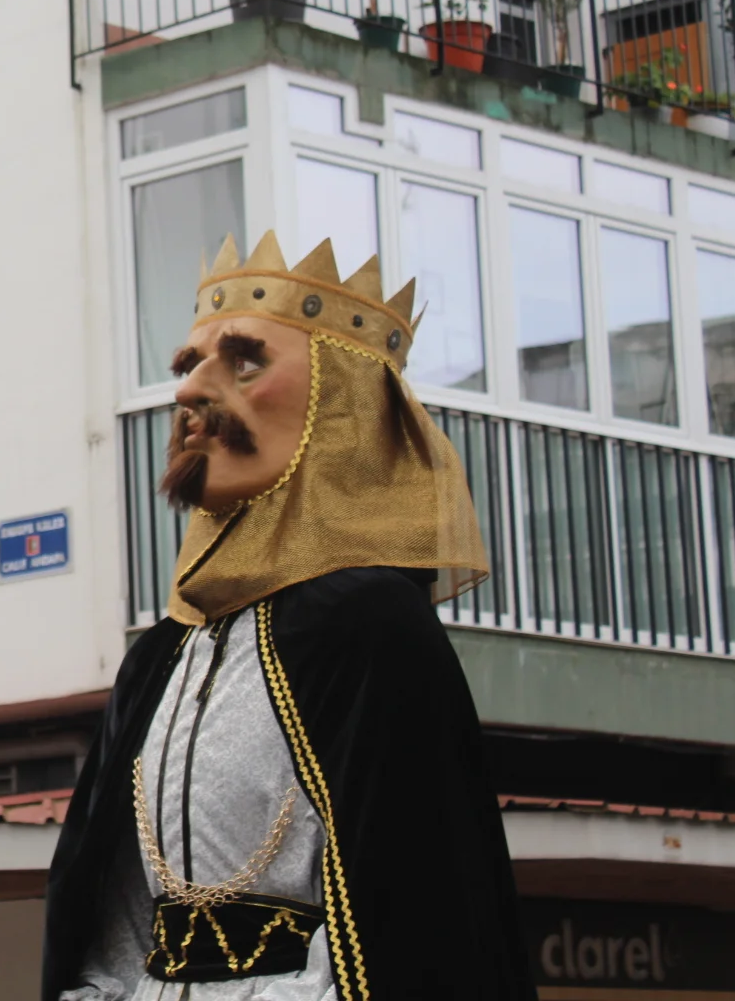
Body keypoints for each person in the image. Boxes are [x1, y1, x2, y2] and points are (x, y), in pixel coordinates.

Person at [42, 232, 534, 1000]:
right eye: (187, 365)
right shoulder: (162, 654)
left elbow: (411, 913)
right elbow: (117, 920)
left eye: (243, 363)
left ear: (339, 404)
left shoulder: (367, 626)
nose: (188, 390)